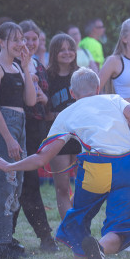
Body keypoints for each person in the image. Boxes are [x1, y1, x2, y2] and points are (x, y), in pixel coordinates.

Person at [0, 68, 130, 259]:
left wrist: (10, 166)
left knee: (77, 219)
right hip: (129, 168)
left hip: (96, 168)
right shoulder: (113, 99)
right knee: (122, 225)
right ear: (98, 88)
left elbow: (42, 159)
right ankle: (99, 248)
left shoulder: (66, 114)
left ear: (71, 92)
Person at [0, 21, 36, 259]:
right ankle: (0, 243)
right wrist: (9, 139)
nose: (21, 44)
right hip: (2, 127)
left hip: (20, 124)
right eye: (15, 39)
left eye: (22, 39)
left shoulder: (16, 67)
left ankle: (5, 237)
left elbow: (31, 101)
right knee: (3, 184)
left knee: (17, 183)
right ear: (1, 42)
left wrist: (26, 68)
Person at [16, 20, 58, 252]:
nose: (30, 43)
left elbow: (47, 100)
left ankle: (8, 236)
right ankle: (45, 237)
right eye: (26, 39)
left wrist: (44, 99)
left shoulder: (38, 65)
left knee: (28, 182)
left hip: (37, 128)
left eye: (35, 39)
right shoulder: (11, 64)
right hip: (20, 127)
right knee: (24, 182)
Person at [45, 33, 82, 221]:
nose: (67, 53)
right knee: (62, 186)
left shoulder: (81, 75)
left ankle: (75, 222)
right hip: (58, 137)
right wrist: (55, 115)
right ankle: (68, 228)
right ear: (54, 52)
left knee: (85, 184)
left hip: (80, 136)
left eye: (70, 49)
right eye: (62, 50)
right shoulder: (46, 76)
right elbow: (43, 111)